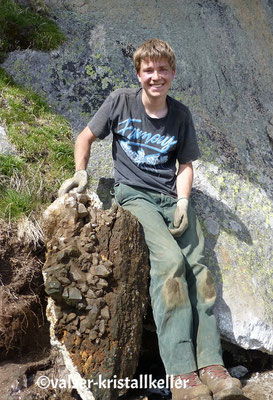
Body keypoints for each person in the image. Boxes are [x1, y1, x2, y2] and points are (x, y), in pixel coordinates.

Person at [58, 39, 246, 400]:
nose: (155, 76)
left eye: (162, 70)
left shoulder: (180, 115)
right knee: (171, 265)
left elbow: (186, 164)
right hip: (134, 195)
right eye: (149, 70)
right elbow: (85, 136)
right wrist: (80, 173)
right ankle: (181, 375)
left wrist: (183, 201)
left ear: (172, 74)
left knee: (201, 275)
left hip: (170, 199)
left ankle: (212, 367)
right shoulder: (120, 102)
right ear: (138, 73)